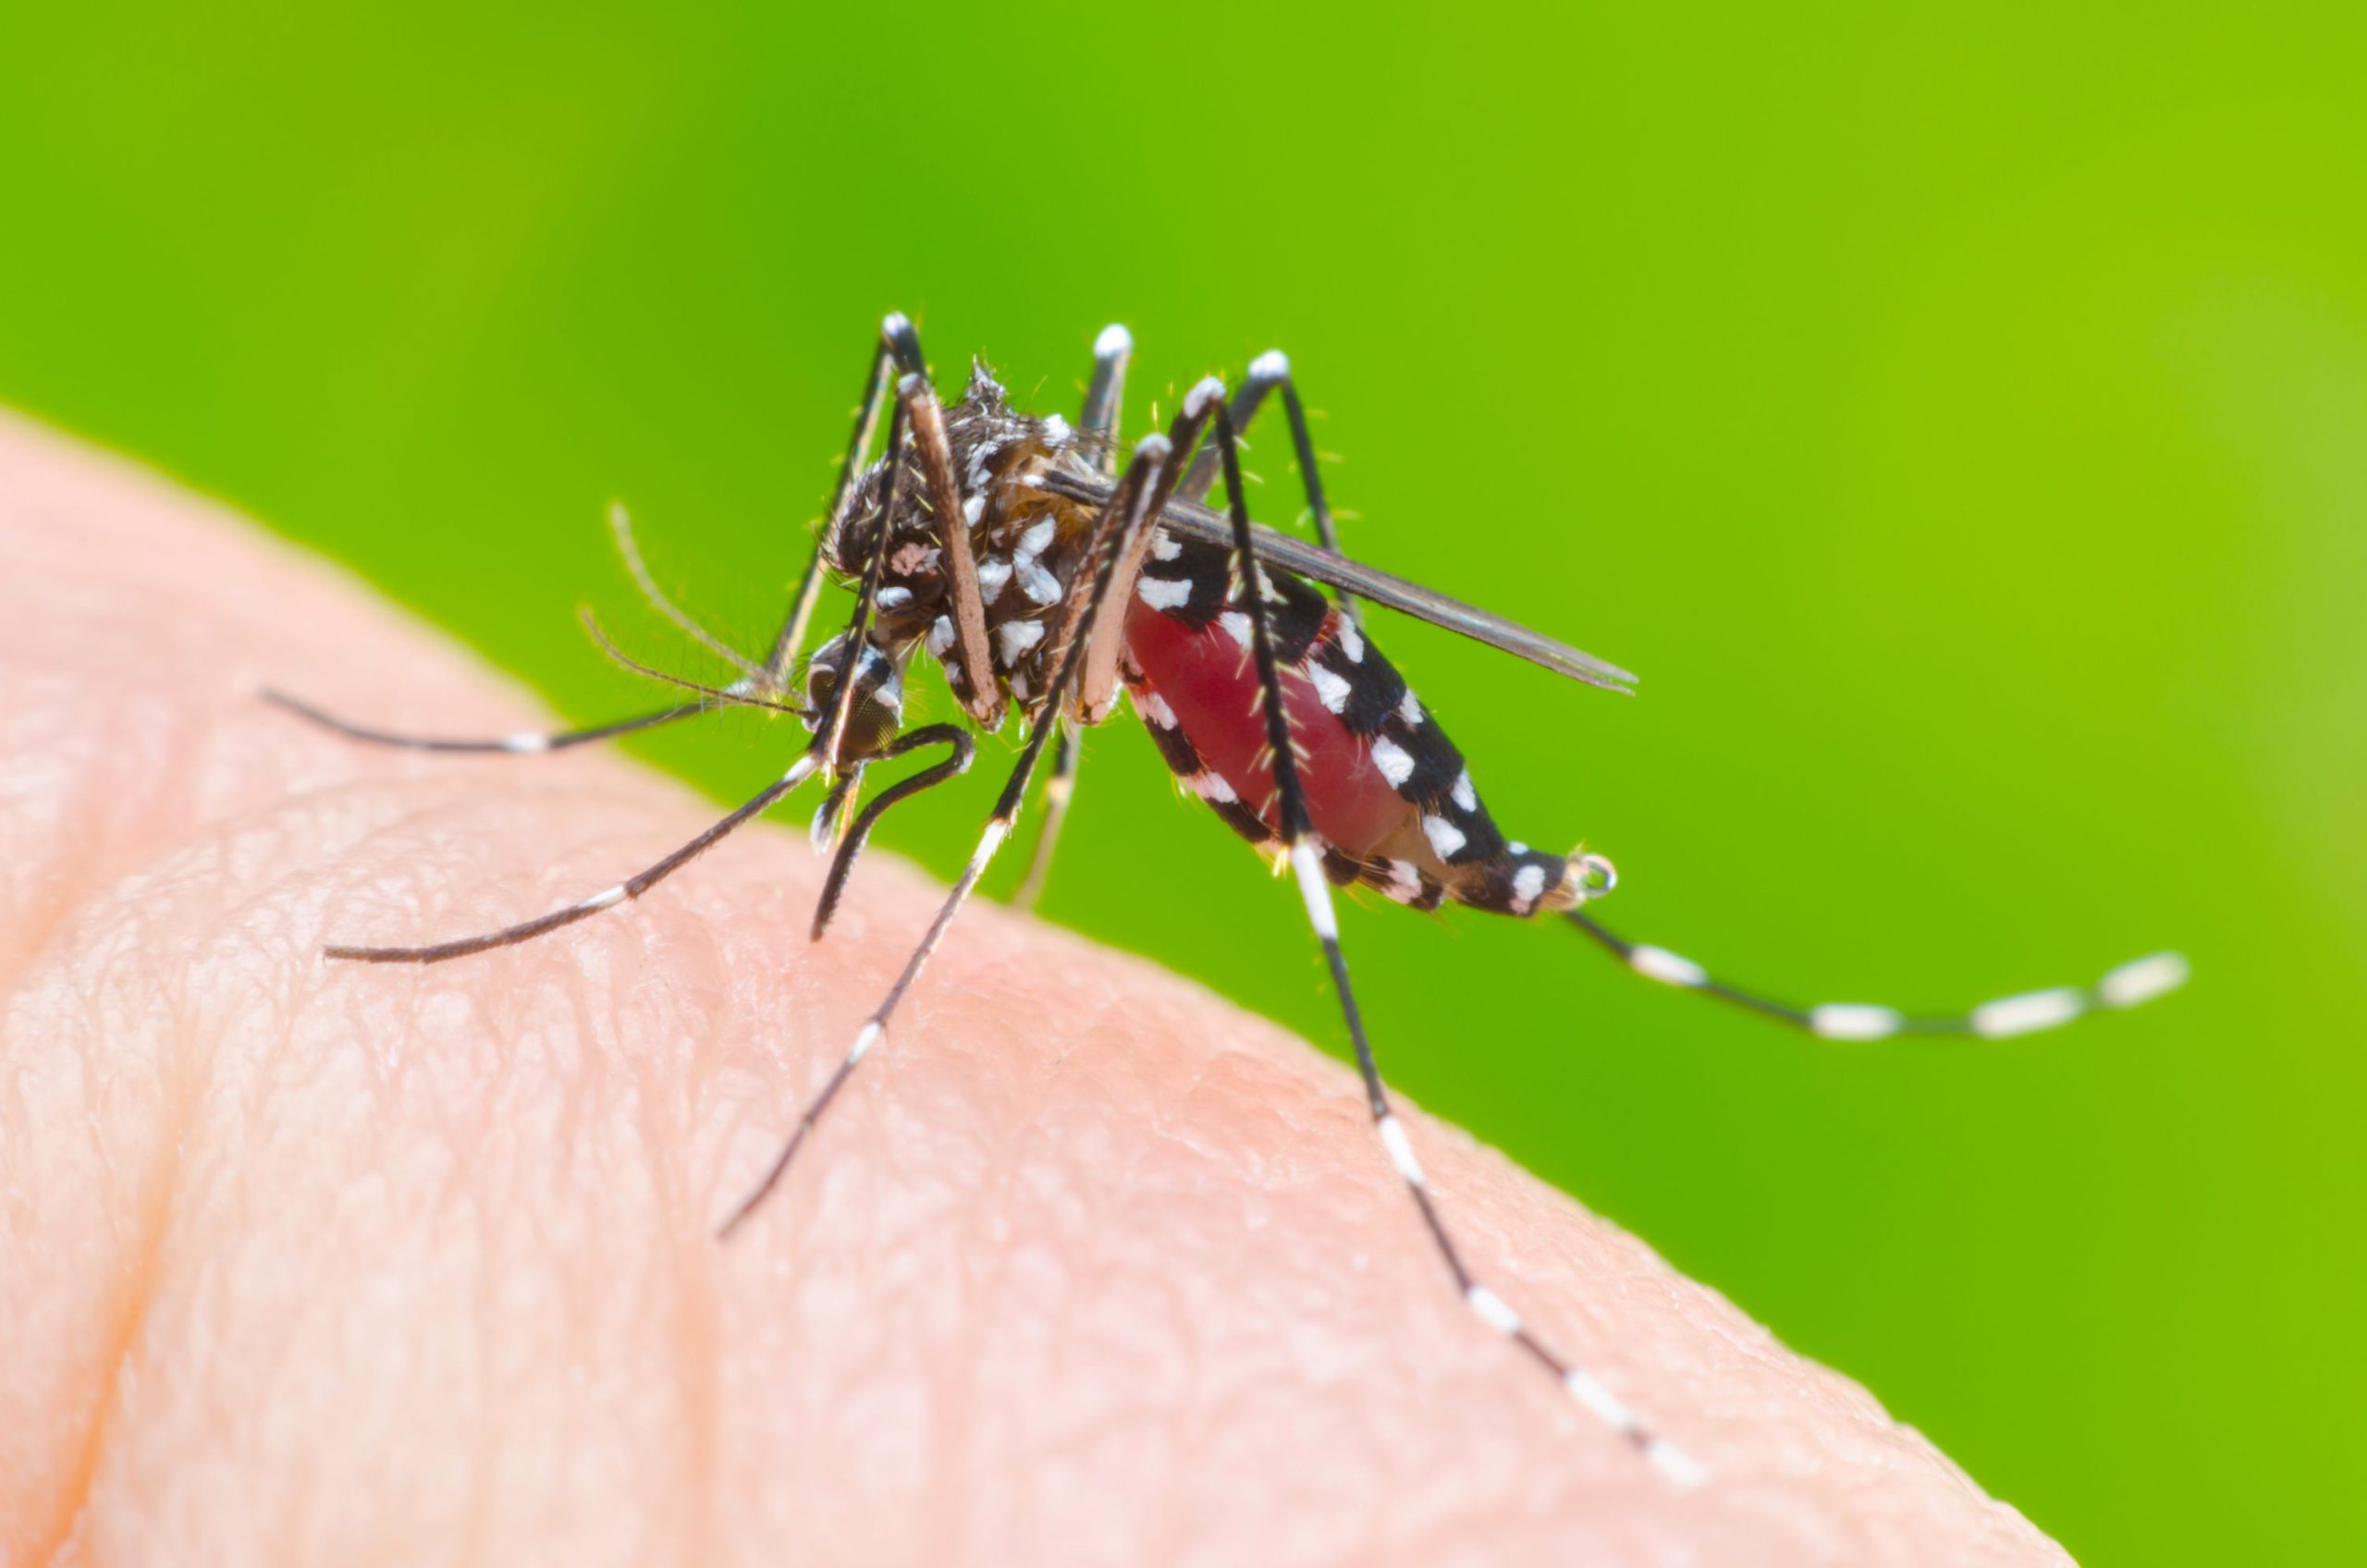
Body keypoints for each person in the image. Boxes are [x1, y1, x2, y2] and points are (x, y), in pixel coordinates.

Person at [0, 412, 2071, 1565]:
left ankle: (1396, 1080)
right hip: (1130, 605)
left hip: (1221, 645)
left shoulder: (997, 569)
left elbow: (1067, 525)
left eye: (838, 681)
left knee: (1178, 431)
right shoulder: (929, 557)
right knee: (1063, 467)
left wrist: (906, 956)